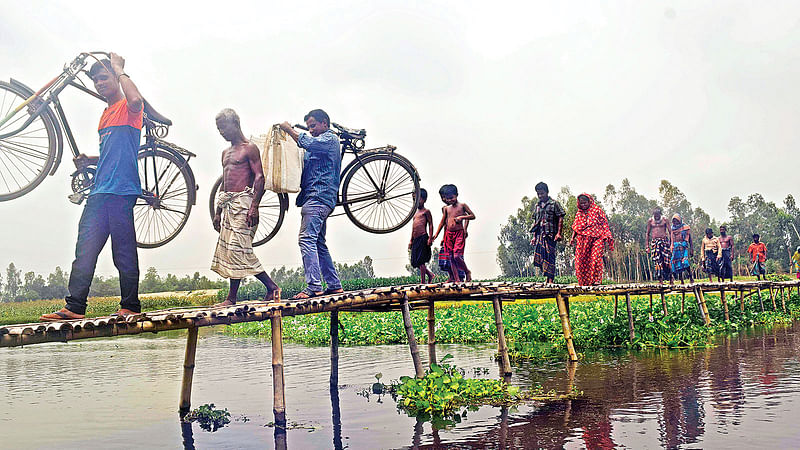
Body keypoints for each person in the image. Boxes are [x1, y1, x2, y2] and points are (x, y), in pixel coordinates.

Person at [41, 54, 143, 321]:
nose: (99, 83)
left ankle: (130, 305)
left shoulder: (129, 108)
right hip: (99, 191)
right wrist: (90, 160)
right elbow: (112, 151)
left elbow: (136, 100)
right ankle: (74, 307)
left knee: (123, 251)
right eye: (96, 79)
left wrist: (120, 68)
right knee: (84, 250)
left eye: (104, 77)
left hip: (121, 190)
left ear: (116, 79)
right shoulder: (106, 114)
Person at [211, 109, 281, 305]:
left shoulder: (249, 148)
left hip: (244, 204)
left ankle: (266, 288)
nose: (221, 132)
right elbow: (224, 184)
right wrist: (218, 212)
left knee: (237, 249)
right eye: (218, 129)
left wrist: (254, 206)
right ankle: (260, 291)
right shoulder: (225, 153)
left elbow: (260, 177)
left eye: (223, 127)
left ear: (235, 124)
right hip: (228, 206)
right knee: (235, 250)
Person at [280, 110, 343, 299]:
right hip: (315, 198)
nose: (311, 130)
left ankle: (314, 286)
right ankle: (333, 284)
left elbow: (308, 142)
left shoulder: (329, 139)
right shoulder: (318, 145)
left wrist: (289, 130)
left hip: (319, 197)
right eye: (309, 127)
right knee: (318, 242)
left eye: (314, 125)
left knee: (306, 239)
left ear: (325, 124)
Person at [432, 184, 475, 282]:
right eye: (447, 199)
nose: (450, 200)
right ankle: (456, 280)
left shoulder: (462, 206)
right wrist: (436, 235)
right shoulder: (446, 208)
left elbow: (472, 216)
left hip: (459, 233)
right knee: (450, 257)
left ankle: (467, 271)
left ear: (457, 195)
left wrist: (462, 219)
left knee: (456, 256)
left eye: (452, 198)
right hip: (449, 234)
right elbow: (443, 222)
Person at [569, 193, 614, 286]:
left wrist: (607, 235)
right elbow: (576, 227)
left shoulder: (597, 210)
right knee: (581, 262)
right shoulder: (579, 214)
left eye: (585, 203)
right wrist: (572, 238)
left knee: (596, 258)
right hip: (583, 241)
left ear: (589, 202)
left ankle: (596, 280)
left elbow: (604, 223)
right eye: (581, 203)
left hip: (597, 239)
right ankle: (585, 283)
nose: (584, 205)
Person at [529, 182, 565, 284]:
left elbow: (560, 218)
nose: (540, 196)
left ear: (547, 192)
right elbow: (536, 222)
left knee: (550, 257)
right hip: (540, 235)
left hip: (550, 235)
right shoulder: (537, 206)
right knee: (541, 257)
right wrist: (534, 237)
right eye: (538, 194)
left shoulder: (554, 204)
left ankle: (550, 280)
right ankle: (546, 278)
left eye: (542, 193)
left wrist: (559, 233)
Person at [409, 188, 435, 284]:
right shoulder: (414, 213)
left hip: (423, 237)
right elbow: (413, 228)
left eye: (418, 199)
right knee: (415, 261)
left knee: (421, 260)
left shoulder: (426, 212)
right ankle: (430, 274)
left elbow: (430, 224)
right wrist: (411, 240)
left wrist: (430, 237)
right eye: (414, 199)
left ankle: (423, 281)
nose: (416, 201)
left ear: (424, 200)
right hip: (416, 239)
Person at [646, 207, 671, 283]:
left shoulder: (665, 220)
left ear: (660, 214)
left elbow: (670, 232)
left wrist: (671, 244)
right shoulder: (650, 221)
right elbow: (647, 233)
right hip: (655, 242)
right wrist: (647, 246)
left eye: (658, 215)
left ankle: (671, 278)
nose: (656, 217)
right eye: (655, 215)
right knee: (657, 262)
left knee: (667, 261)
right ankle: (660, 280)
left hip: (664, 242)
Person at [669, 213, 694, 284]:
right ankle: (681, 280)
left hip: (684, 247)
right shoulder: (672, 229)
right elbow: (671, 239)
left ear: (679, 221)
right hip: (676, 247)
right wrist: (671, 246)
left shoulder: (685, 228)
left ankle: (691, 276)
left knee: (685, 262)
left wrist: (691, 249)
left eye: (677, 221)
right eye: (674, 221)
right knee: (677, 264)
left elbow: (690, 239)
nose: (675, 222)